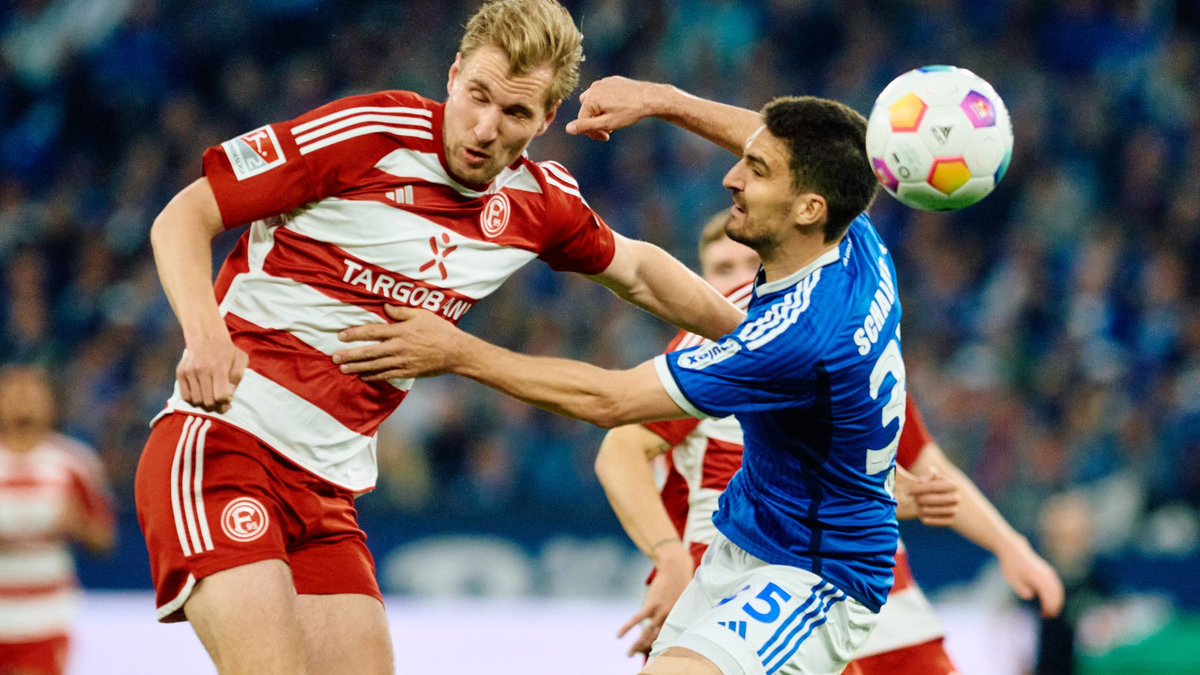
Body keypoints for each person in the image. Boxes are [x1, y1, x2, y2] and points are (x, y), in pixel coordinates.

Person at [133, 2, 744, 674]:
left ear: (545, 120)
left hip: (329, 491)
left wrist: (760, 338)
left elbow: (641, 272)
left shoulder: (539, 204)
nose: (484, 128)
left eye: (514, 114)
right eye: (476, 95)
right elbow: (183, 216)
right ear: (453, 75)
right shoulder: (369, 132)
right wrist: (205, 335)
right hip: (225, 446)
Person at [337, 82, 908, 675]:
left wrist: (456, 352)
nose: (730, 179)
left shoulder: (797, 337)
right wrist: (661, 100)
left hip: (817, 572)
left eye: (755, 172)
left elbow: (609, 402)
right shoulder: (852, 232)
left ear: (808, 208)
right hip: (750, 538)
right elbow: (775, 143)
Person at [591, 213, 1064, 671]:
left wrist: (1010, 546)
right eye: (721, 270)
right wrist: (668, 558)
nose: (738, 280)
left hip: (866, 586)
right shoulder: (704, 356)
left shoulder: (845, 343)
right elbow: (621, 450)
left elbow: (923, 467)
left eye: (748, 266)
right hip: (751, 586)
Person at [0, 366, 115, 675]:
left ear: (50, 402)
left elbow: (104, 540)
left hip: (45, 616)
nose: (23, 401)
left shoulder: (73, 461)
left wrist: (76, 525)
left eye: (32, 392)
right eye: (14, 392)